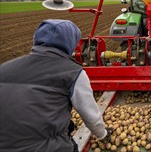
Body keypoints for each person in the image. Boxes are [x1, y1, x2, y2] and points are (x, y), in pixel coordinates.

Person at [0, 19, 111, 152]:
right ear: (71, 44)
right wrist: (102, 135)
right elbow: (91, 115)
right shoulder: (72, 72)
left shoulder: (4, 69)